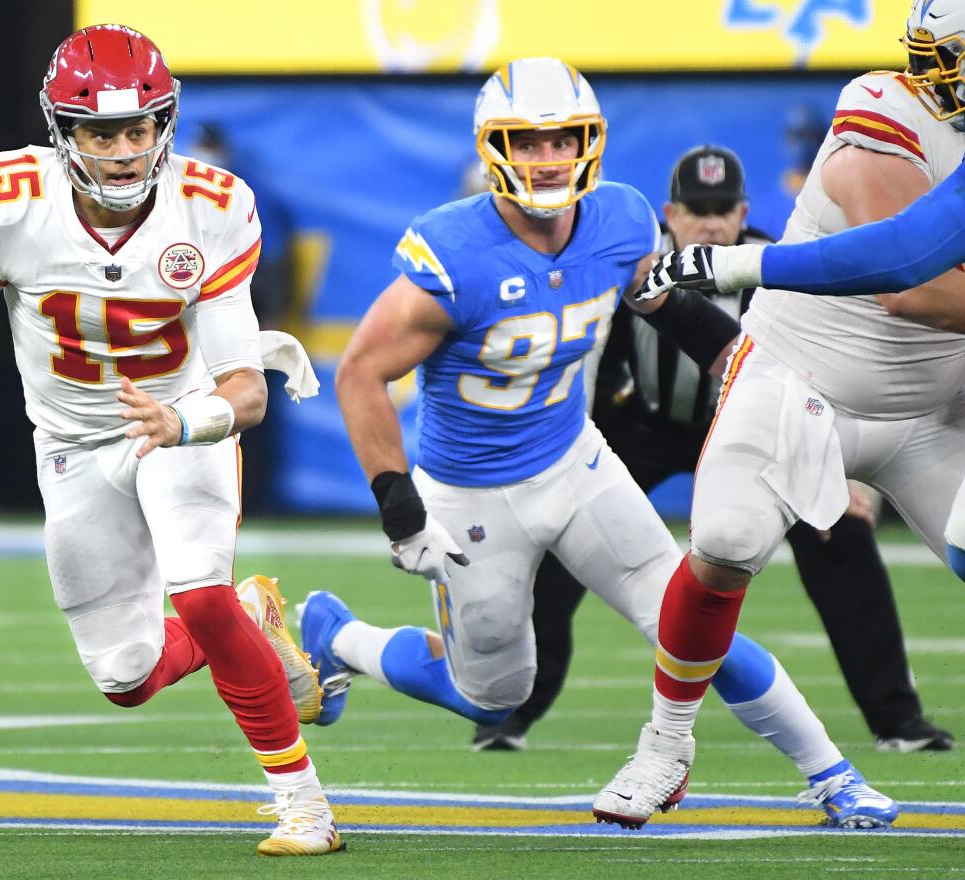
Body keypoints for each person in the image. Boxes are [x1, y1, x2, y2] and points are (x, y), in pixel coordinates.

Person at [305, 57, 895, 830]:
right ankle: (338, 635)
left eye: (564, 139)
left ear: (592, 141)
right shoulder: (453, 250)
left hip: (574, 463)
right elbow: (358, 374)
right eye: (527, 142)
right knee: (494, 692)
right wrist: (400, 509)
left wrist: (744, 364)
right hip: (472, 493)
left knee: (693, 618)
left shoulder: (618, 218)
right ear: (495, 149)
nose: (547, 158)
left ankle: (834, 776)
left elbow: (663, 301)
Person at [0, 24, 341, 857]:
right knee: (124, 677)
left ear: (164, 124)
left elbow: (245, 392)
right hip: (70, 444)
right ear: (64, 131)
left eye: (138, 129)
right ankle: (249, 614)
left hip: (181, 421)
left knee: (196, 589)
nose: (125, 151)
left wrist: (180, 422)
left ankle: (303, 802)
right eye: (101, 131)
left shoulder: (212, 206)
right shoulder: (10, 197)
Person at [601, 1, 965, 827]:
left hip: (937, 407)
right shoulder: (887, 109)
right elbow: (907, 276)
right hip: (807, 380)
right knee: (726, 540)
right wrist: (739, 263)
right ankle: (666, 742)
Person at [473, 146, 952, 755]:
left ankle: (898, 721)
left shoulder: (784, 265)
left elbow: (835, 364)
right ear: (670, 214)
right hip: (642, 427)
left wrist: (851, 472)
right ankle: (510, 714)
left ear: (744, 212)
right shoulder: (636, 267)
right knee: (565, 543)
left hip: (758, 429)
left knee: (840, 535)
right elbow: (585, 362)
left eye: (722, 210)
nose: (709, 225)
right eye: (696, 211)